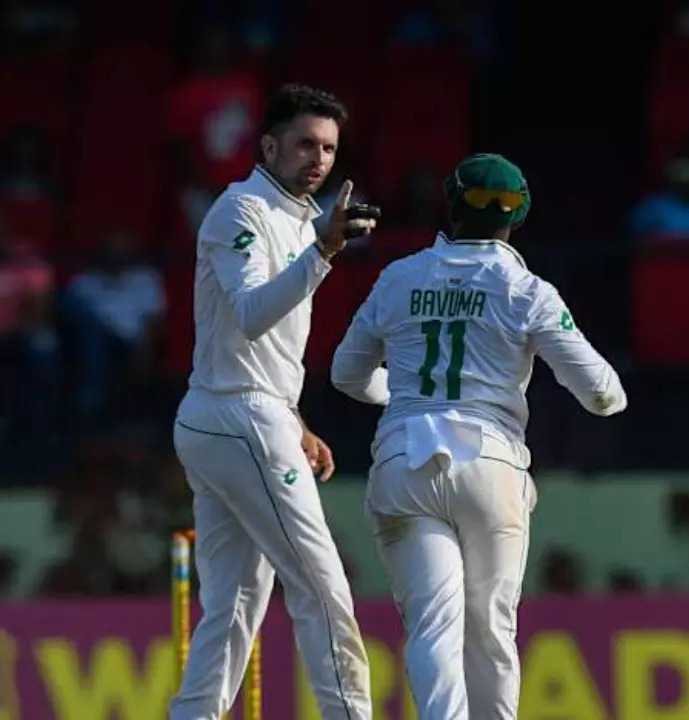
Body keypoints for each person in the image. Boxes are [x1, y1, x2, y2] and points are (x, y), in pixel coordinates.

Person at [330, 153, 627, 718]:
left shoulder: (398, 277)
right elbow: (599, 393)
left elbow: (347, 375)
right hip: (492, 463)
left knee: (433, 623)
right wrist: (610, 393)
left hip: (403, 461)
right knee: (491, 628)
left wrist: (403, 399)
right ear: (519, 217)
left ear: (451, 202)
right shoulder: (528, 290)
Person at [169, 83, 381, 720]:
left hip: (243, 415)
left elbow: (265, 352)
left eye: (328, 149)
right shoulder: (240, 212)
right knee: (322, 586)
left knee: (235, 602)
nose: (318, 159)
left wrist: (295, 419)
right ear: (268, 146)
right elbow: (255, 314)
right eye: (304, 145)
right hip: (235, 416)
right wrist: (324, 249)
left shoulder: (297, 216)